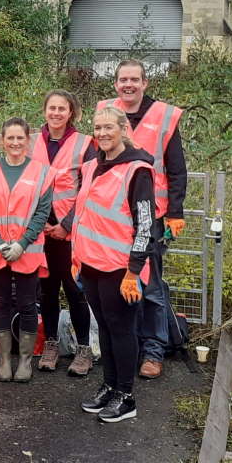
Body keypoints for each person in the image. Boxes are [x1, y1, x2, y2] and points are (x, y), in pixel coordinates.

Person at [94, 59, 187, 379]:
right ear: (116, 84)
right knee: (119, 284)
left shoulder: (164, 116)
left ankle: (153, 350)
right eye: (122, 80)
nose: (128, 85)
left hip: (152, 217)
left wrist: (175, 211)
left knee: (150, 285)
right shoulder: (106, 111)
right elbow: (96, 161)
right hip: (113, 219)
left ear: (146, 83)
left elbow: (176, 168)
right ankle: (128, 345)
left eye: (134, 79)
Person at [71, 106, 159, 423]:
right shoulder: (92, 166)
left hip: (121, 270)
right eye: (97, 127)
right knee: (106, 329)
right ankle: (109, 386)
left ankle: (126, 396)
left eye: (109, 127)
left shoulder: (138, 171)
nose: (103, 133)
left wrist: (133, 272)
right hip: (92, 266)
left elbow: (146, 226)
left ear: (123, 129)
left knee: (122, 331)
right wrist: (77, 258)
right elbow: (85, 215)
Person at [0, 118, 54, 383]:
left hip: (27, 250)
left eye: (20, 138)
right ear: (3, 140)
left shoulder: (43, 173)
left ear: (28, 140)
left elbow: (42, 213)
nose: (15, 143)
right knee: (0, 303)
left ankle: (25, 362)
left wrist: (22, 243)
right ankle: (5, 361)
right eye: (11, 138)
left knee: (27, 304)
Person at [30, 90, 97, 377]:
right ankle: (52, 345)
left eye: (62, 109)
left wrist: (66, 224)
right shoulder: (33, 141)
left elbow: (90, 187)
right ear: (44, 111)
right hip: (40, 231)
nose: (56, 113)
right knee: (46, 290)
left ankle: (84, 350)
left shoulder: (85, 144)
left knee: (74, 290)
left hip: (70, 231)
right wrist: (38, 224)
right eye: (52, 108)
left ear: (72, 113)